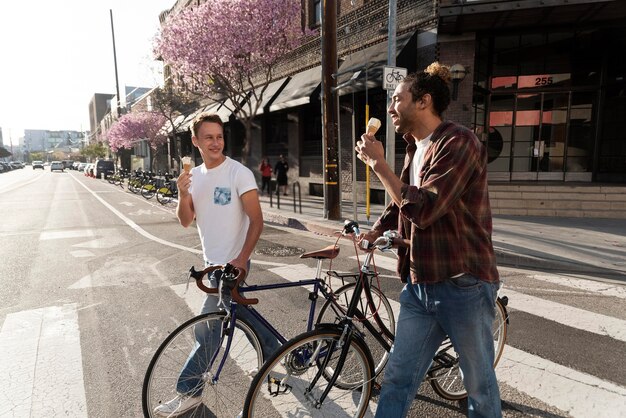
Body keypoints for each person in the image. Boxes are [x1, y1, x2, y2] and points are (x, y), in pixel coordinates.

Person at [355, 63, 502, 418]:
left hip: (462, 283)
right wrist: (377, 229)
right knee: (397, 379)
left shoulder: (459, 142)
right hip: (420, 286)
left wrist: (378, 166)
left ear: (423, 101)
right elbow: (401, 199)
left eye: (397, 99)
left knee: (478, 387)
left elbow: (424, 208)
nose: (390, 108)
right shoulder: (414, 146)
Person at [155, 113, 281, 417]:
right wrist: (182, 193)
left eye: (220, 136)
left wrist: (241, 259)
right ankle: (277, 354)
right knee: (241, 313)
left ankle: (188, 391)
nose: (216, 142)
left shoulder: (238, 173)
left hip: (233, 263)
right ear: (196, 141)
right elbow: (186, 220)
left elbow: (257, 219)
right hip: (211, 263)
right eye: (208, 137)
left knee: (208, 327)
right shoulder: (193, 176)